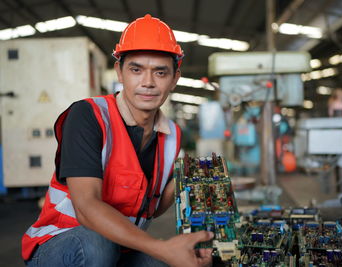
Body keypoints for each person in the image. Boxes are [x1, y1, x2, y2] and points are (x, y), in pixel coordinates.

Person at [22, 14, 214, 267]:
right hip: (61, 243)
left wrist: (184, 178)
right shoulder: (88, 116)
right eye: (136, 70)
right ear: (120, 73)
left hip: (122, 247)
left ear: (175, 79)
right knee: (98, 246)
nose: (147, 82)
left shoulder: (171, 136)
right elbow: (87, 207)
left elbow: (151, 209)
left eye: (160, 72)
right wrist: (161, 248)